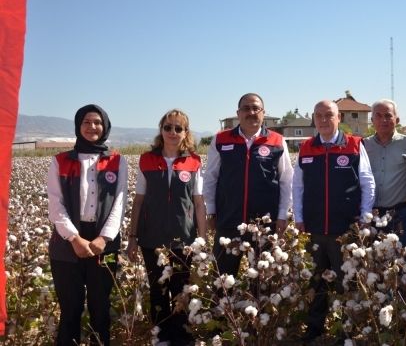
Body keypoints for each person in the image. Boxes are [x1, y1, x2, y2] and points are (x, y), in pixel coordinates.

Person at [293, 100, 375, 341]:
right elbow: (298, 186)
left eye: (329, 115)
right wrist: (298, 218)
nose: (324, 120)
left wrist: (365, 217)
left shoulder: (354, 144)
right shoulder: (306, 147)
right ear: (314, 119)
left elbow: (367, 182)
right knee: (316, 282)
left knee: (346, 282)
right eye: (319, 115)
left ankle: (346, 330)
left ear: (339, 118)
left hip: (345, 229)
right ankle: (315, 327)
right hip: (315, 228)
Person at [47, 104, 127, 346]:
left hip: (104, 244)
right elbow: (55, 204)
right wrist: (74, 238)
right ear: (78, 126)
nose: (92, 127)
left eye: (97, 122)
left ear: (105, 127)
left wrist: (104, 238)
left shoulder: (117, 160)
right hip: (66, 243)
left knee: (101, 308)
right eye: (86, 122)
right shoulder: (59, 161)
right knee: (70, 310)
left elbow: (120, 202)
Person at [126, 109, 206, 346]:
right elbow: (138, 201)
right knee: (158, 289)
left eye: (178, 128)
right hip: (151, 238)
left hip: (184, 238)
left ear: (185, 133)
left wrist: (202, 240)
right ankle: (160, 336)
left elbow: (199, 202)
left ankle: (181, 337)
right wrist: (133, 236)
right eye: (168, 127)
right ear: (161, 130)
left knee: (181, 288)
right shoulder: (146, 160)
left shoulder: (194, 161)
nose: (173, 132)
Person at [203, 93, 293, 277]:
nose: (251, 112)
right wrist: (210, 211)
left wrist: (283, 214)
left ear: (263, 112)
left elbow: (286, 180)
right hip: (228, 221)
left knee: (262, 284)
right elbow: (211, 177)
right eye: (246, 108)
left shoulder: (277, 141)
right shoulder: (220, 140)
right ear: (238, 113)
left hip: (265, 225)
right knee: (223, 281)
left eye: (255, 108)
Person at [364, 99, 406, 246]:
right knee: (372, 262)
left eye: (388, 115)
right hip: (371, 215)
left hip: (400, 214)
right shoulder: (364, 145)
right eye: (379, 116)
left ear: (397, 119)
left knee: (400, 264)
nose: (384, 120)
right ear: (372, 120)